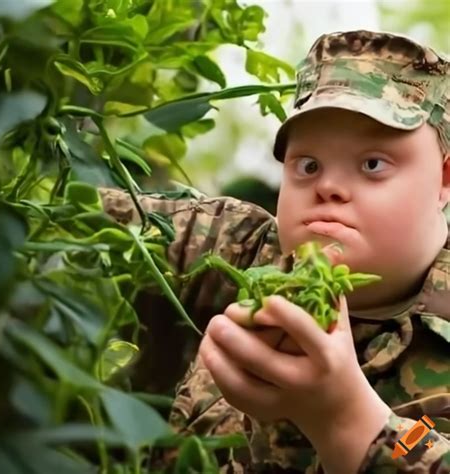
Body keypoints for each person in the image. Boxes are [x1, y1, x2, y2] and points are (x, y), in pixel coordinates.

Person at [100, 30, 450, 473]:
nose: (328, 187)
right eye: (308, 166)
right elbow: (73, 221)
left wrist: (348, 419)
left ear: (444, 180)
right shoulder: (237, 249)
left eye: (372, 164)